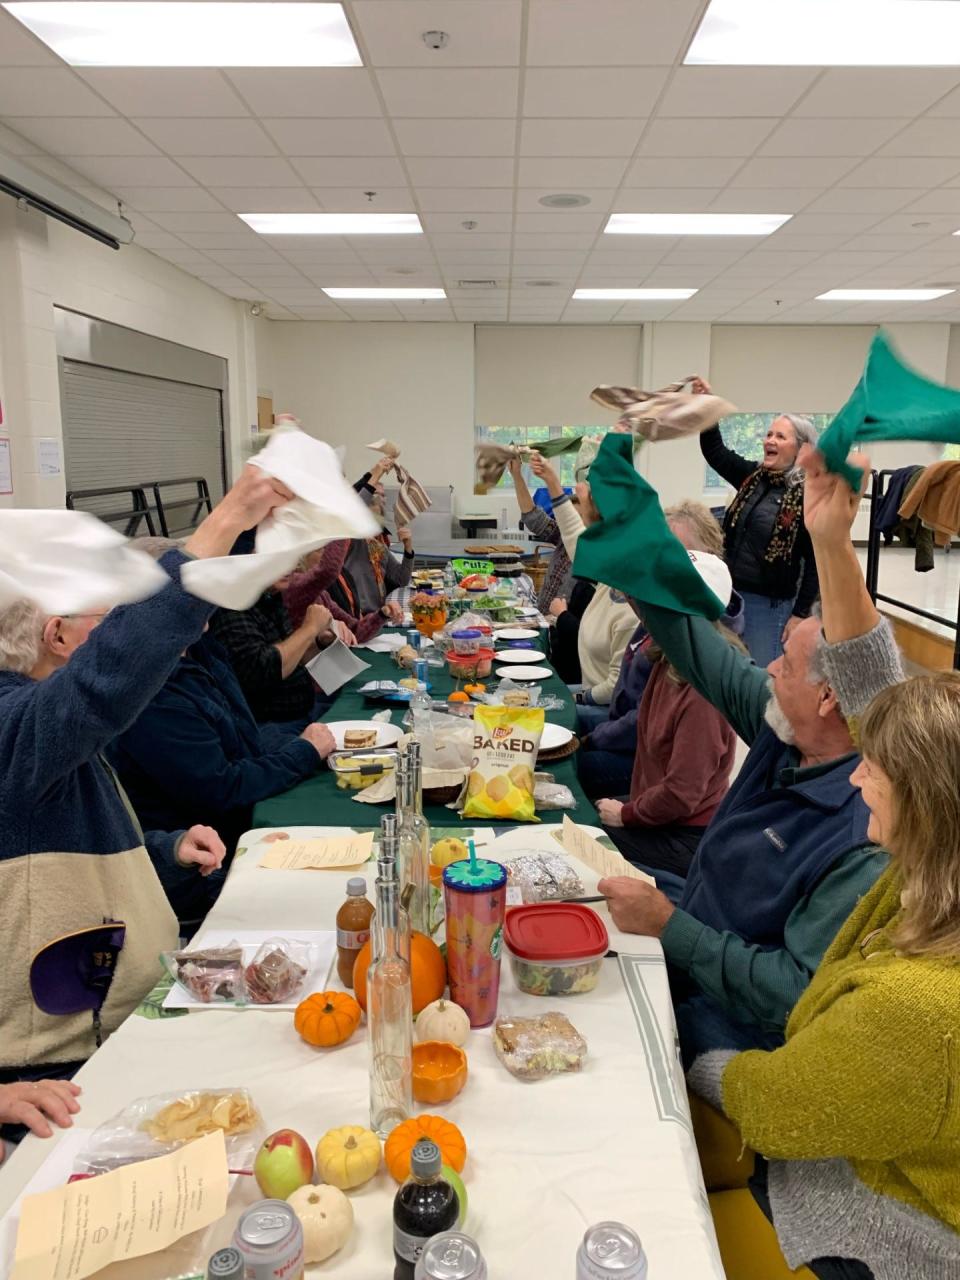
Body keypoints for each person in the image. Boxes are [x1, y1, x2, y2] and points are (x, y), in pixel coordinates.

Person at [687, 461, 960, 1279]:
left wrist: (688, 1048)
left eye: (877, 770)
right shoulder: (929, 862)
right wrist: (830, 539)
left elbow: (775, 1108)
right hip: (831, 1109)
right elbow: (872, 687)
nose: (855, 776)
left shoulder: (921, 1008)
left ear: (928, 806)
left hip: (858, 1234)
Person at [592, 456, 900, 1063]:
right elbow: (696, 645)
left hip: (733, 1027)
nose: (769, 668)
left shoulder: (863, 831)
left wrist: (670, 928)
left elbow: (791, 993)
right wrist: (631, 530)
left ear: (829, 696)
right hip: (694, 939)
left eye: (783, 661)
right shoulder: (786, 727)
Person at [0, 467, 291, 1081]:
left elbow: (60, 846)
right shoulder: (20, 729)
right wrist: (228, 517)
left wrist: (166, 849)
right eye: (104, 624)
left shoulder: (35, 731)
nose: (115, 638)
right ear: (58, 636)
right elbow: (117, 668)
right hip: (71, 1062)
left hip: (122, 1006)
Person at [107, 630, 336, 856]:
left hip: (240, 822)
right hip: (211, 861)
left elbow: (245, 743)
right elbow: (222, 791)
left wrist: (302, 747)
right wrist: (302, 753)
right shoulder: (153, 691)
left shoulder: (201, 647)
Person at [578, 500, 743, 802]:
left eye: (675, 555)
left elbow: (681, 785)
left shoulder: (698, 641)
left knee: (571, 767)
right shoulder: (662, 616)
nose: (663, 566)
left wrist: (595, 739)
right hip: (633, 740)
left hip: (647, 760)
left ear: (705, 558)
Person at [595, 551, 740, 878]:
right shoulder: (668, 658)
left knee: (584, 836)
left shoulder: (702, 692)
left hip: (684, 836)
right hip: (659, 815)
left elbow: (681, 793)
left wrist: (628, 815)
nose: (641, 609)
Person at [697, 376, 820, 667]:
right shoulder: (753, 478)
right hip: (731, 595)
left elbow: (816, 562)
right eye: (769, 434)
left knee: (762, 682)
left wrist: (800, 613)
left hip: (769, 607)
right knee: (728, 674)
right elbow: (716, 453)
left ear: (801, 449)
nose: (769, 441)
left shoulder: (808, 495)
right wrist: (707, 409)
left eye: (780, 436)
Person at [530, 451, 636, 732]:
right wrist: (552, 482)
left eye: (587, 489)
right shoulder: (611, 572)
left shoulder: (630, 603)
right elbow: (574, 534)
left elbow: (613, 689)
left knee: (533, 721)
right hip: (594, 696)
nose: (580, 489)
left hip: (609, 713)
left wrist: (577, 696)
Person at [209, 583, 342, 730]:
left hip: (306, 710)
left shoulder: (270, 598)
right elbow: (262, 669)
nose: (290, 567)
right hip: (272, 726)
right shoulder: (233, 606)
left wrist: (318, 641)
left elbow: (292, 660)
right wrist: (310, 628)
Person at [283, 541, 403, 644]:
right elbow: (328, 569)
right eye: (320, 550)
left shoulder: (322, 595)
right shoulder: (294, 587)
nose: (326, 556)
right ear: (301, 557)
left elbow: (355, 630)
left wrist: (382, 613)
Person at [506, 455, 573, 612]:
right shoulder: (566, 538)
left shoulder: (594, 550)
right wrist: (516, 474)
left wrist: (550, 479)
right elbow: (533, 518)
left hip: (561, 627)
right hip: (543, 619)